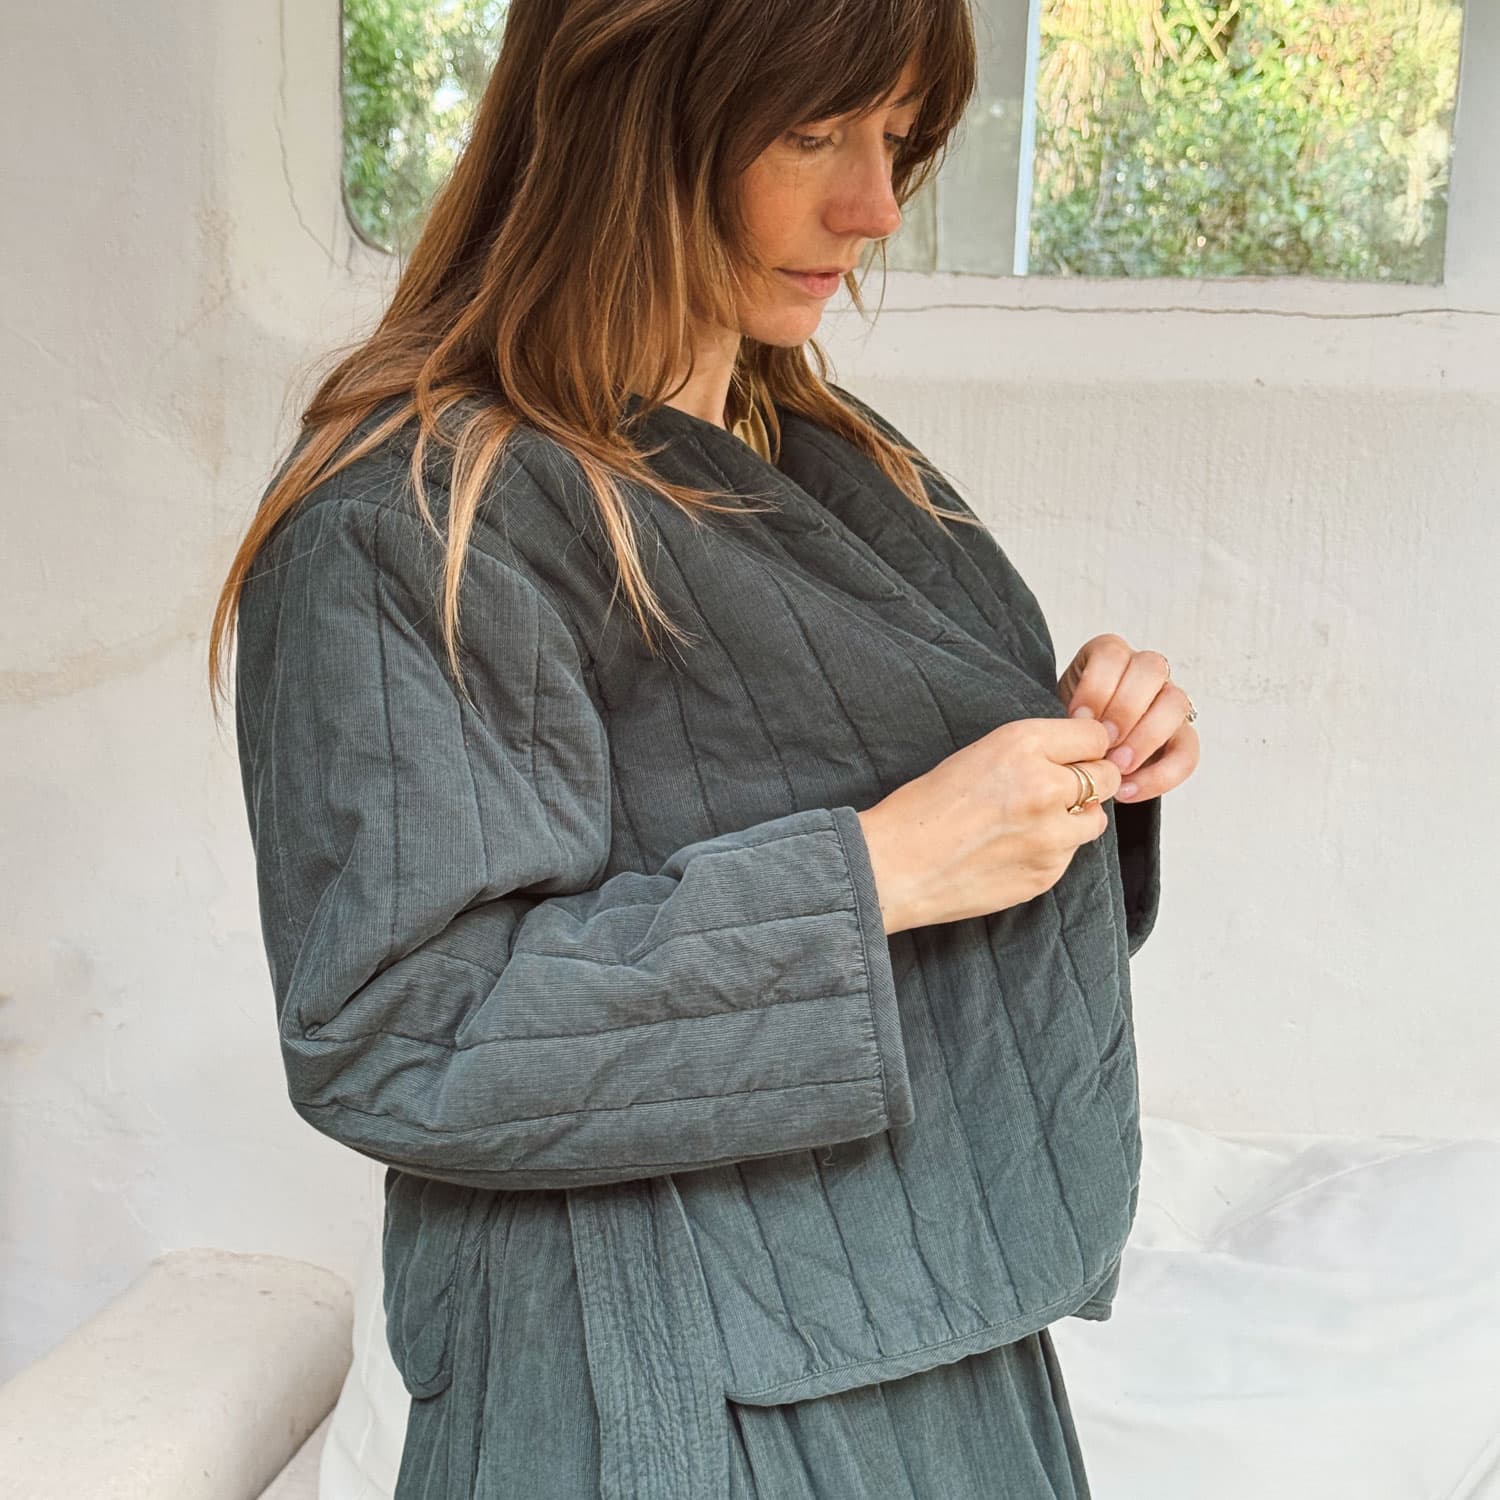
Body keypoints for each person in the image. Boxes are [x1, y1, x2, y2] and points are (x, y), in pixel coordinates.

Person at [208, 0, 1200, 1494]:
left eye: (897, 138)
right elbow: (396, 1031)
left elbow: (910, 873)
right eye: (812, 134)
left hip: (937, 1327)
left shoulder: (841, 461)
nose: (873, 205)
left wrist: (1081, 769)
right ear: (632, 117)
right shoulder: (411, 513)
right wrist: (882, 870)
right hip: (657, 1386)